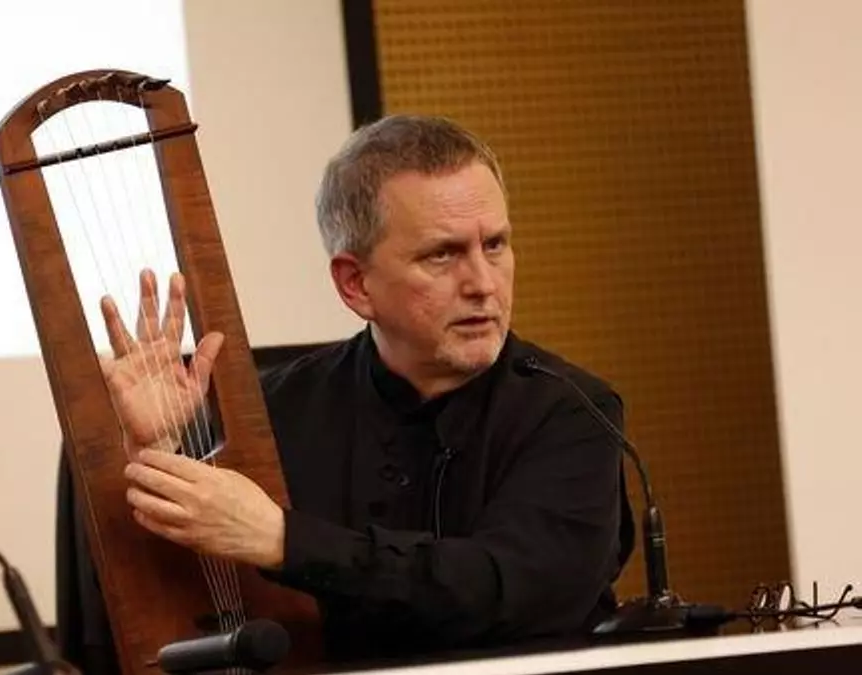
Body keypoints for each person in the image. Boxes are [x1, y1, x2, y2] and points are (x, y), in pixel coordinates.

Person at [54, 115, 634, 670]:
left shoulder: (574, 411)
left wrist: (284, 541)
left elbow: (511, 590)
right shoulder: (273, 414)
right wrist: (158, 454)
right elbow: (175, 618)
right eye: (443, 254)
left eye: (496, 245)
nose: (483, 284)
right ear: (355, 284)